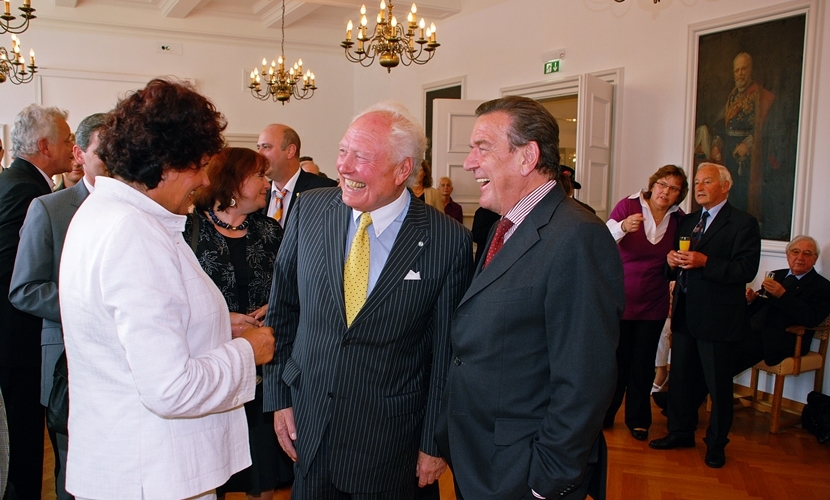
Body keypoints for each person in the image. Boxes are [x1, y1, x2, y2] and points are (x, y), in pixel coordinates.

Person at [59, 79, 275, 499]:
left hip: (132, 459)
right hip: (152, 472)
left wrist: (215, 327)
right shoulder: (133, 232)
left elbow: (132, 330)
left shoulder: (102, 213)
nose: (201, 182)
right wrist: (250, 351)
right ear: (167, 163)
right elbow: (171, 388)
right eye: (199, 166)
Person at [262, 101, 473, 499]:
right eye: (343, 151)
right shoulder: (309, 209)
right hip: (309, 427)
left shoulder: (448, 240)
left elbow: (447, 352)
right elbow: (282, 310)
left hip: (391, 448)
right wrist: (278, 398)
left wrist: (433, 442)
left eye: (361, 157)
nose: (344, 166)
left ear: (402, 170)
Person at [436, 96, 624, 500]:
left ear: (527, 157)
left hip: (524, 471)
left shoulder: (577, 236)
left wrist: (547, 481)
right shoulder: (504, 228)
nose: (469, 162)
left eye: (482, 148)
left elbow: (585, 379)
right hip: (483, 457)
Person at [8, 112, 107, 500]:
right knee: (74, 471)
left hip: (125, 362)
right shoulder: (49, 208)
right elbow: (25, 289)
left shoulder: (143, 209)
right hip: (68, 361)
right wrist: (94, 306)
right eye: (106, 151)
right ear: (81, 155)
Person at [185, 147, 293, 500]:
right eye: (259, 176)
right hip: (211, 365)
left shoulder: (270, 229)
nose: (268, 183)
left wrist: (272, 306)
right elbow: (176, 296)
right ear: (232, 181)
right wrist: (222, 318)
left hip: (263, 367)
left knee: (261, 471)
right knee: (210, 470)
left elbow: (291, 285)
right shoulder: (190, 228)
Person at [650, 163, 760, 469]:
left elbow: (745, 270)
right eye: (697, 182)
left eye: (706, 182)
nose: (699, 187)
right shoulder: (688, 222)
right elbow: (672, 264)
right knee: (682, 380)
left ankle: (715, 444)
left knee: (717, 386)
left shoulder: (743, 223)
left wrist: (706, 262)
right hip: (685, 313)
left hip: (719, 319)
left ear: (725, 186)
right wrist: (671, 261)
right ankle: (680, 432)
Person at [0, 104, 73, 500]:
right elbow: (12, 273)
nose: (72, 146)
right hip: (19, 340)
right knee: (24, 453)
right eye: (66, 139)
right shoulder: (25, 189)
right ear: (44, 145)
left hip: (21, 338)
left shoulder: (21, 182)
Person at [603, 165, 688, 441]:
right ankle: (603, 415)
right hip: (621, 299)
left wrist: (674, 263)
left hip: (654, 301)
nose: (666, 191)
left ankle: (638, 420)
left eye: (674, 188)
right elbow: (603, 239)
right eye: (663, 184)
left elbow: (678, 259)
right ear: (653, 184)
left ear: (679, 195)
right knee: (616, 363)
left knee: (643, 363)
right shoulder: (628, 205)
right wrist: (623, 227)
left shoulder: (679, 220)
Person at [732, 235, 830, 374]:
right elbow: (761, 304)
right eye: (795, 252)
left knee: (727, 358)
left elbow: (811, 318)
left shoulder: (822, 286)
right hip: (752, 331)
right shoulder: (777, 275)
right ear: (788, 255)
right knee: (713, 346)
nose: (800, 257)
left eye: (807, 253)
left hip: (783, 339)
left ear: (815, 259)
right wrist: (751, 300)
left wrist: (782, 295)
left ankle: (712, 390)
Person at [710, 52, 774, 219]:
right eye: (737, 70)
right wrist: (717, 143)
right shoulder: (733, 95)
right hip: (729, 151)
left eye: (743, 69)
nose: (740, 74)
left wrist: (748, 144)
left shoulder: (760, 95)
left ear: (750, 70)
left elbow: (767, 129)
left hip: (748, 155)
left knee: (742, 194)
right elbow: (724, 124)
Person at [256, 124, 336, 227]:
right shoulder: (258, 192)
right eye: (258, 147)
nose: (259, 154)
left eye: (266, 147)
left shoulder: (324, 190)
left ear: (290, 151)